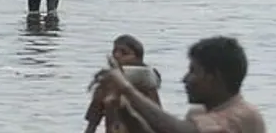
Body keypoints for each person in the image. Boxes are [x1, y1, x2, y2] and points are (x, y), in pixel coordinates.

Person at [100, 36, 266, 133]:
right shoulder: (200, 113)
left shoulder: (242, 116)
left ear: (214, 77)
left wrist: (127, 89)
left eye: (194, 71)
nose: (186, 79)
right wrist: (124, 109)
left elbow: (177, 130)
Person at [85, 34, 162, 133]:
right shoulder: (106, 86)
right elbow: (92, 124)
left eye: (124, 53)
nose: (117, 56)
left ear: (138, 59)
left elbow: (158, 121)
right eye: (114, 52)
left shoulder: (147, 86)